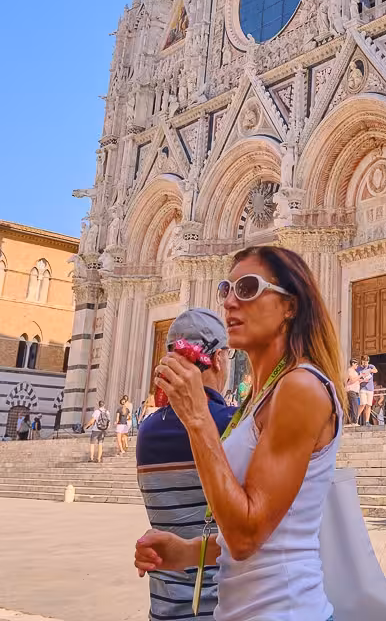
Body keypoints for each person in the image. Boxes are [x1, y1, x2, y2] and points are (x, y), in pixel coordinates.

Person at [135, 245, 343, 621]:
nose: (230, 302)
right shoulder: (259, 398)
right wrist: (186, 551)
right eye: (225, 289)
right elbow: (262, 538)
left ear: (290, 305)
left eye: (247, 288)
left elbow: (247, 536)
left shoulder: (300, 387)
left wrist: (198, 417)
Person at [135, 308, 237, 620]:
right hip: (228, 606)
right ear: (219, 359)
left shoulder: (147, 431)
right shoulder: (235, 426)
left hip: (166, 606)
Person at [356, 356, 376, 426]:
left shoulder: (370, 366)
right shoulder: (358, 368)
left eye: (366, 362)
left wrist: (369, 370)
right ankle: (356, 418)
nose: (365, 363)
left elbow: (376, 370)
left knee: (368, 405)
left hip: (370, 388)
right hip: (362, 388)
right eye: (364, 361)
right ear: (361, 361)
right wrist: (361, 379)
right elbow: (355, 377)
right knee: (363, 404)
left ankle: (367, 421)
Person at [344, 360, 362, 425]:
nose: (357, 366)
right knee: (354, 406)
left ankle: (351, 422)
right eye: (356, 364)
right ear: (353, 364)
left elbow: (355, 381)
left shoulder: (354, 372)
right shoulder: (350, 371)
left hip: (355, 390)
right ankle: (353, 422)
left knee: (353, 406)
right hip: (351, 391)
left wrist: (361, 380)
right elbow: (351, 381)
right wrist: (359, 376)